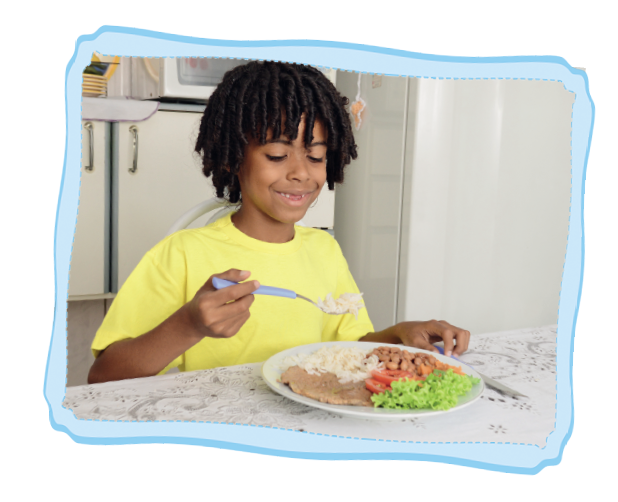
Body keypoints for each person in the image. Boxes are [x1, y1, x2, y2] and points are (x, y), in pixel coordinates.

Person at [88, 61, 470, 384]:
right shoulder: (182, 255)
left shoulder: (324, 250)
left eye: (316, 156)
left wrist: (397, 335)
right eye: (276, 155)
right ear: (232, 158)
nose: (301, 173)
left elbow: (349, 345)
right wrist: (188, 325)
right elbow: (103, 377)